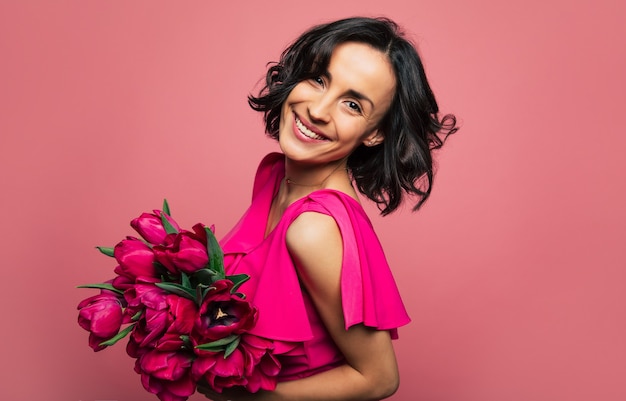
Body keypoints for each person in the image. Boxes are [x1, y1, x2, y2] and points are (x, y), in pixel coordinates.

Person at [198, 16, 457, 401]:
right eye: (318, 79)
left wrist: (238, 398)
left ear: (375, 132)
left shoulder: (313, 228)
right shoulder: (276, 180)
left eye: (352, 104)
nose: (318, 110)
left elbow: (380, 378)